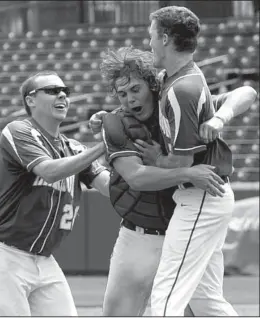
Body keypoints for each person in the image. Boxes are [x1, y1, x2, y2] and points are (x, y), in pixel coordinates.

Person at [89, 47, 256, 316]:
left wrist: (219, 117)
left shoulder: (177, 104)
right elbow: (136, 177)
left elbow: (246, 93)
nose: (130, 99)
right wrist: (188, 172)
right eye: (122, 94)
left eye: (135, 89)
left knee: (196, 307)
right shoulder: (116, 123)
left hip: (183, 233)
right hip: (139, 235)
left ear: (152, 85)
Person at [0, 70, 112, 316]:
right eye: (52, 90)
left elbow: (109, 187)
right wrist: (102, 146)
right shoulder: (19, 131)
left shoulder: (74, 148)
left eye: (65, 91)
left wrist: (125, 145)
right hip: (1, 253)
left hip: (44, 260)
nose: (62, 94)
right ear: (30, 100)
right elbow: (50, 171)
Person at [145, 6, 250, 316]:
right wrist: (220, 117)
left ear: (164, 38)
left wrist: (155, 159)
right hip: (207, 195)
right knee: (205, 301)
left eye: (151, 35)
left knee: (166, 291)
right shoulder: (177, 78)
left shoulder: (182, 89)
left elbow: (181, 162)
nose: (149, 41)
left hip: (202, 195)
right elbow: (248, 91)